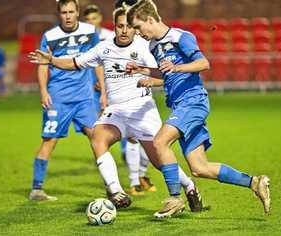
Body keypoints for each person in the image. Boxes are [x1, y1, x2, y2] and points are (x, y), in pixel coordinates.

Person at [29, 7, 203, 212]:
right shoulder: (104, 48)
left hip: (142, 110)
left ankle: (190, 186)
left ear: (134, 27)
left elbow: (164, 74)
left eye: (129, 26)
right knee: (97, 137)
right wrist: (51, 60)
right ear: (114, 26)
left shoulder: (145, 46)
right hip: (117, 112)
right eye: (120, 26)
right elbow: (75, 63)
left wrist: (149, 81)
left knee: (158, 160)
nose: (124, 30)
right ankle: (116, 191)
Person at [125, 0, 270, 218]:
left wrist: (178, 67)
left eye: (138, 27)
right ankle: (254, 182)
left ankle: (174, 198)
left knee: (159, 142)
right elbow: (166, 74)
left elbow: (203, 63)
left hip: (193, 101)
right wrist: (142, 70)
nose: (137, 33)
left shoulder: (181, 37)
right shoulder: (153, 46)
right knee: (199, 168)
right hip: (180, 105)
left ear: (150, 19)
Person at [28, 0, 102, 201]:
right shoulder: (50, 37)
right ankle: (37, 189)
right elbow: (43, 65)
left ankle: (111, 187)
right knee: (49, 141)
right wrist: (43, 91)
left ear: (78, 12)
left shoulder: (90, 31)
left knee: (97, 137)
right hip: (58, 98)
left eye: (71, 11)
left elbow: (98, 60)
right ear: (58, 14)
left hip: (85, 98)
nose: (68, 16)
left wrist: (103, 90)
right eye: (64, 12)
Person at [84, 2, 156, 196]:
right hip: (112, 97)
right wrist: (103, 88)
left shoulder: (139, 36)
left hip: (137, 97)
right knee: (123, 139)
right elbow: (96, 61)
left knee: (149, 143)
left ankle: (140, 175)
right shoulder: (102, 41)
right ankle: (131, 181)